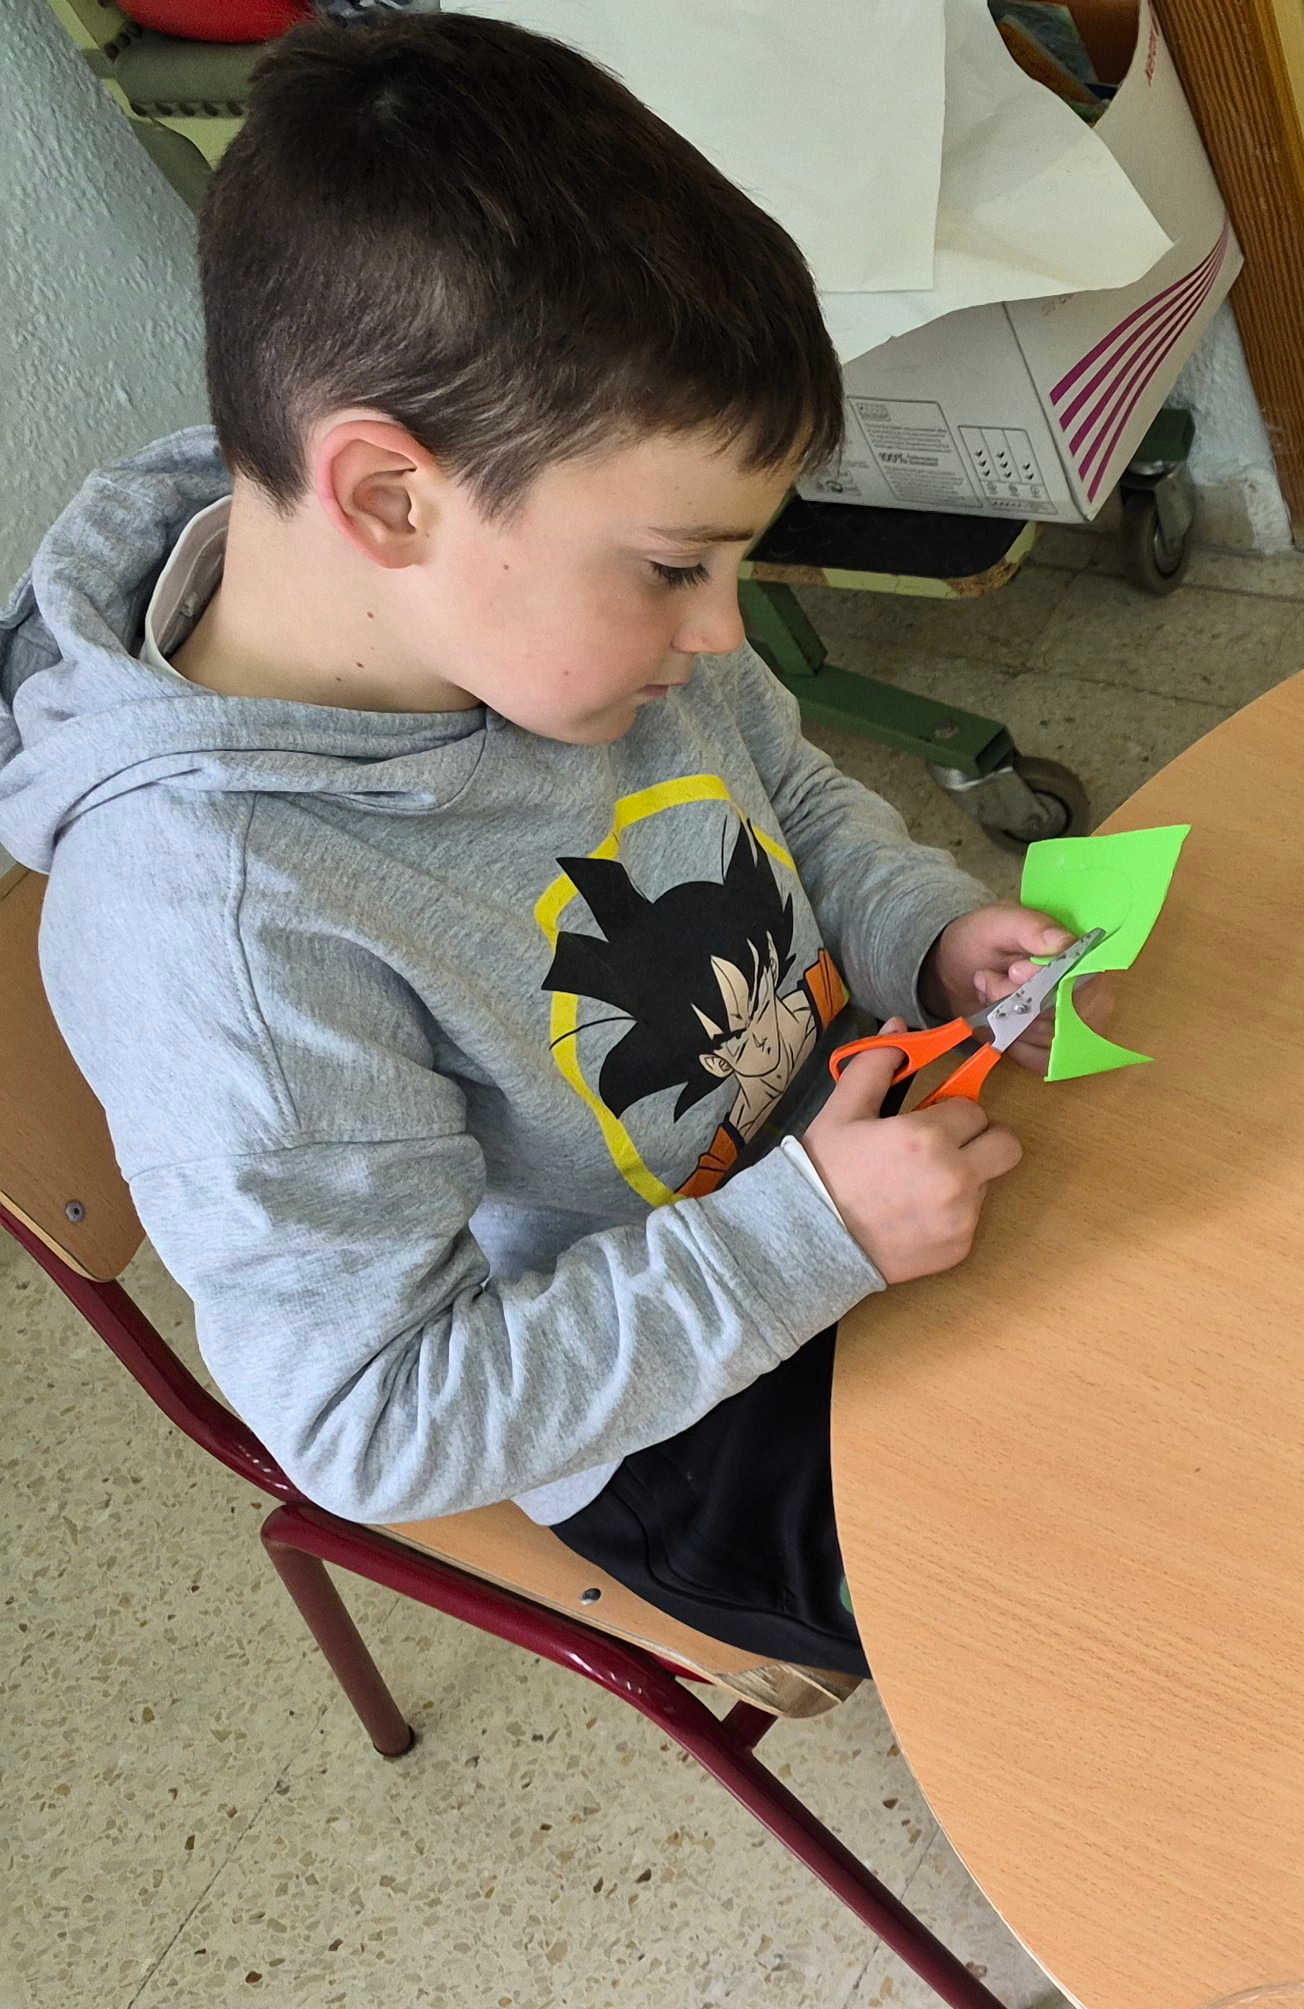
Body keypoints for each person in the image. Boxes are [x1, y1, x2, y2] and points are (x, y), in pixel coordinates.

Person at [0, 14, 1079, 1700]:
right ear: (388, 499)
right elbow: (373, 1419)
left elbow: (780, 803)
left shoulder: (550, 616)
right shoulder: (219, 925)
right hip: (679, 1421)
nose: (723, 635)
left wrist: (925, 930)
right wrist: (811, 1240)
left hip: (849, 1160)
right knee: (1124, 1600)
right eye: (674, 567)